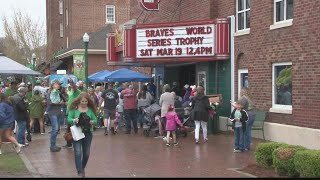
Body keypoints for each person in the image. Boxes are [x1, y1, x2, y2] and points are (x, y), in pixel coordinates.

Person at [67, 92, 97, 178]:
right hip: (77, 133)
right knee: (77, 152)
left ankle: (82, 168)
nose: (84, 103)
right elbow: (68, 119)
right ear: (79, 101)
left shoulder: (90, 110)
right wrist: (74, 120)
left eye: (85, 101)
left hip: (87, 133)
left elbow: (95, 120)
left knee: (86, 153)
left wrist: (92, 122)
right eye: (82, 101)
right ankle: (80, 171)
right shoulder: (74, 109)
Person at [47, 80, 65, 152]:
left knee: (56, 129)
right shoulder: (50, 92)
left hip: (57, 112)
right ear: (53, 85)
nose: (59, 85)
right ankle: (52, 145)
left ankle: (54, 145)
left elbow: (63, 99)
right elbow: (50, 102)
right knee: (55, 128)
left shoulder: (58, 92)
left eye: (59, 84)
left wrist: (62, 102)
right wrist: (60, 103)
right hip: (53, 112)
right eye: (58, 84)